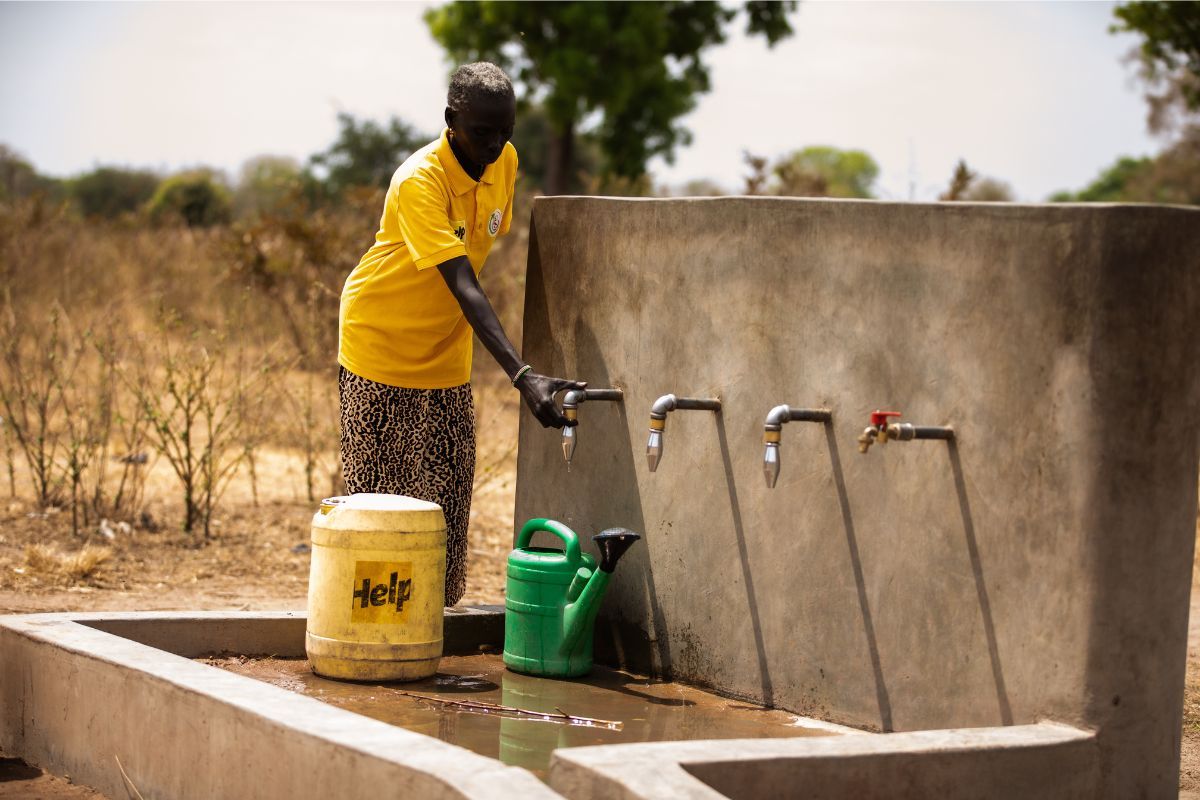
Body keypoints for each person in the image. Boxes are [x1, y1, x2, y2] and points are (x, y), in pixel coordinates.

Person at [337, 62, 584, 607]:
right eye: (481, 131)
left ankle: (433, 622)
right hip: (379, 347)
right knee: (379, 509)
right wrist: (522, 375)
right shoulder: (420, 180)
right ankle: (375, 633)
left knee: (446, 505)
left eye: (505, 130)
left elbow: (482, 245)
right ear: (451, 120)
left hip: (446, 352)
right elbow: (463, 282)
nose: (495, 144)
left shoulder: (505, 162)